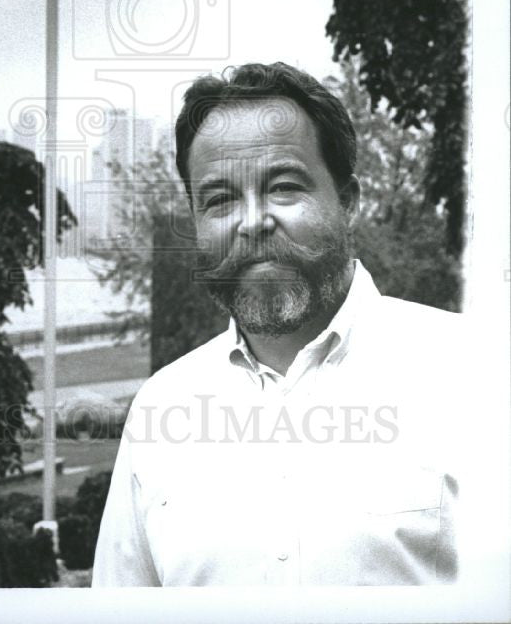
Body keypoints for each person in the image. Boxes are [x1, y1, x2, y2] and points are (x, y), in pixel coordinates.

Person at [92, 62, 464, 587]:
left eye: (284, 187)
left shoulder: (476, 370)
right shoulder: (159, 409)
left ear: (349, 201)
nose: (252, 222)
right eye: (219, 200)